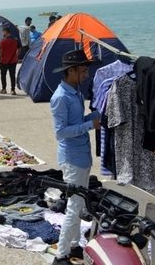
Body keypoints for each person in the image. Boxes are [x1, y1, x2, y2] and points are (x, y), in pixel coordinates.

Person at [50, 49, 100, 265]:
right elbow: (60, 132)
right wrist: (90, 124)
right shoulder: (60, 97)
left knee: (78, 205)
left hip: (81, 155)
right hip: (72, 158)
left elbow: (76, 121)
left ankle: (74, 246)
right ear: (71, 71)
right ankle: (61, 255)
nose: (86, 74)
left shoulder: (76, 92)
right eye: (83, 70)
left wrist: (95, 116)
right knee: (74, 206)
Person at [0, 27, 19, 95]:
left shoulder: (3, 41)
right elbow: (19, 48)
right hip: (13, 61)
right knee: (12, 75)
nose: (2, 33)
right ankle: (13, 90)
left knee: (3, 75)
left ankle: (4, 89)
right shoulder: (15, 40)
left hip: (4, 61)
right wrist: (16, 56)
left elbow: (0, 52)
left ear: (6, 32)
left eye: (3, 32)